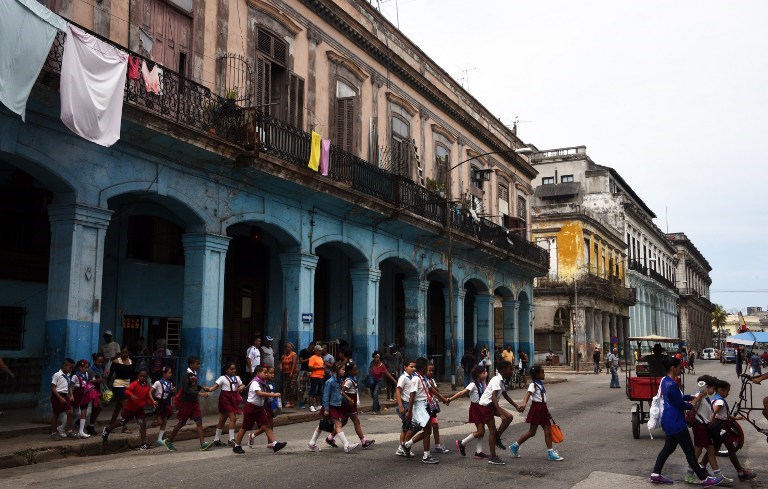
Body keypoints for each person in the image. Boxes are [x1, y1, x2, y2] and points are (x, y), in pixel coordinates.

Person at [647, 357, 722, 486]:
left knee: (668, 449)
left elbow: (678, 397)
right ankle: (704, 478)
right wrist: (696, 400)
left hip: (668, 420)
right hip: (676, 422)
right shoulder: (672, 384)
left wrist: (693, 396)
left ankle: (656, 474)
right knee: (689, 452)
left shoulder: (665, 380)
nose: (681, 368)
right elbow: (682, 404)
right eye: (679, 367)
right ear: (673, 368)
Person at [509, 365, 563, 461]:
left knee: (533, 432)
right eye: (542, 372)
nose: (544, 374)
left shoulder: (540, 384)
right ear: (537, 375)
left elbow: (543, 399)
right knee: (545, 429)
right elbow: (527, 395)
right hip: (537, 408)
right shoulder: (533, 385)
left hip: (541, 408)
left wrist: (547, 411)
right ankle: (550, 452)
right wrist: (524, 404)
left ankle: (515, 446)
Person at [160, 356, 213, 452]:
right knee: (182, 422)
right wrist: (200, 393)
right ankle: (168, 440)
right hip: (186, 402)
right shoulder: (186, 375)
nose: (199, 365)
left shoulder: (194, 374)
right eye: (197, 363)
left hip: (194, 402)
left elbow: (192, 386)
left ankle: (202, 444)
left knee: (199, 421)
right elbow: (186, 389)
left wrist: (201, 387)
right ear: (191, 365)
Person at [475, 360, 521, 465]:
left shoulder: (502, 380)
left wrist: (516, 406)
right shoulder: (496, 379)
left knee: (509, 417)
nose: (512, 371)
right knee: (492, 430)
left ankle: (497, 438)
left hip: (492, 405)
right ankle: (492, 456)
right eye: (510, 369)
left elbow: (505, 395)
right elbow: (494, 397)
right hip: (486, 406)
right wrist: (500, 414)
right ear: (503, 370)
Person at [708, 379, 756, 481]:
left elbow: (722, 414)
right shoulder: (720, 401)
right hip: (721, 427)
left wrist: (734, 418)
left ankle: (702, 466)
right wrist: (711, 424)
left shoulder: (715, 398)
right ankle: (740, 472)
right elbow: (715, 412)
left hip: (719, 425)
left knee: (715, 448)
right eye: (727, 391)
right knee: (730, 448)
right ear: (720, 390)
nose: (728, 393)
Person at [687, 375, 731, 485]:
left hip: (704, 426)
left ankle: (718, 476)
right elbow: (692, 407)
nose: (714, 391)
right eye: (713, 388)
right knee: (698, 451)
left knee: (711, 450)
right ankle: (689, 474)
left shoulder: (704, 396)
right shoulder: (700, 395)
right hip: (699, 426)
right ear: (708, 387)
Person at [232, 365, 286, 454]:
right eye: (264, 372)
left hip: (260, 408)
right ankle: (237, 445)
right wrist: (274, 395)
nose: (266, 374)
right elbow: (259, 393)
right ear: (258, 373)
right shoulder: (255, 382)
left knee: (266, 425)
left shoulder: (263, 382)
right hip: (251, 408)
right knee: (245, 427)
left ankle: (274, 444)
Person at [307, 362, 359, 453]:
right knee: (338, 424)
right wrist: (326, 409)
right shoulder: (330, 382)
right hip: (330, 406)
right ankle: (347, 445)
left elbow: (339, 395)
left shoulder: (339, 381)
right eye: (342, 369)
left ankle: (312, 443)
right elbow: (326, 396)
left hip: (335, 406)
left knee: (322, 425)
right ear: (337, 370)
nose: (344, 371)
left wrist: (347, 401)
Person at [400, 357, 442, 464]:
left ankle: (407, 445)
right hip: (419, 407)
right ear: (424, 368)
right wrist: (409, 411)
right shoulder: (415, 379)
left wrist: (444, 398)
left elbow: (431, 389)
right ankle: (426, 456)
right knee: (427, 430)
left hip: (425, 405)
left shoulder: (423, 378)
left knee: (427, 431)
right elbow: (412, 395)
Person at [101, 368, 156, 450]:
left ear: (146, 377)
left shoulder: (146, 387)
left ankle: (143, 443)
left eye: (144, 376)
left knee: (143, 424)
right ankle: (108, 429)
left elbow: (147, 398)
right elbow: (127, 391)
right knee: (121, 422)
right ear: (138, 376)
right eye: (141, 376)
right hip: (130, 409)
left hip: (139, 409)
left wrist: (153, 402)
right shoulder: (134, 384)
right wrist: (132, 395)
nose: (142, 378)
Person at [450, 365, 490, 459]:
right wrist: (450, 399)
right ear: (477, 374)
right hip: (476, 409)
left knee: (482, 431)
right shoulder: (473, 384)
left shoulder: (482, 383)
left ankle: (479, 452)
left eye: (485, 372)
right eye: (483, 373)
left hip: (482, 407)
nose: (485, 374)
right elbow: (462, 393)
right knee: (480, 431)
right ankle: (462, 443)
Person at [207, 361, 245, 446]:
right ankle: (231, 439)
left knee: (223, 419)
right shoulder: (222, 378)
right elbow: (214, 387)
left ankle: (216, 439)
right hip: (225, 398)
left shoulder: (237, 378)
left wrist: (241, 387)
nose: (233, 370)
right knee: (233, 418)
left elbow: (242, 385)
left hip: (233, 398)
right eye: (231, 369)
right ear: (226, 370)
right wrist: (208, 389)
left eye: (234, 369)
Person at [339, 361, 375, 449]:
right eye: (354, 370)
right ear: (349, 371)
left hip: (351, 403)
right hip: (349, 404)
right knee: (356, 422)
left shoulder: (352, 378)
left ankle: (330, 437)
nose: (357, 371)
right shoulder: (349, 381)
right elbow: (342, 391)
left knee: (343, 422)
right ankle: (363, 441)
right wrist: (349, 399)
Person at [70, 359, 100, 438]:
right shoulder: (75, 376)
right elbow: (71, 387)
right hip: (76, 394)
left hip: (84, 394)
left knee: (84, 412)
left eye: (87, 368)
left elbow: (86, 383)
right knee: (75, 413)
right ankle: (63, 427)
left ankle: (81, 431)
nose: (87, 369)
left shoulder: (86, 374)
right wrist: (71, 395)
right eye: (86, 368)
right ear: (80, 367)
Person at [425, 363, 451, 454]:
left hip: (431, 406)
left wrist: (442, 399)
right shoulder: (421, 380)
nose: (431, 372)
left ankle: (437, 445)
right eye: (429, 370)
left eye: (433, 371)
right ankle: (406, 444)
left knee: (435, 426)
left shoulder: (431, 380)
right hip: (424, 406)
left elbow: (436, 391)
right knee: (416, 429)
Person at [394, 359, 417, 458]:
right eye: (411, 367)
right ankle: (403, 446)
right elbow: (398, 391)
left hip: (411, 404)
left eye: (414, 367)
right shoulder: (403, 378)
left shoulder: (413, 377)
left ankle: (402, 447)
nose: (413, 368)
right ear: (405, 367)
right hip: (405, 404)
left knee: (406, 427)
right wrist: (401, 406)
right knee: (407, 427)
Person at [108, 347, 134, 431]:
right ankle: (124, 426)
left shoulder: (130, 362)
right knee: (125, 406)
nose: (123, 354)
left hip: (127, 385)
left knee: (118, 406)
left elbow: (131, 375)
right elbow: (110, 374)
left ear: (128, 353)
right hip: (118, 385)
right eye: (122, 353)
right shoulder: (116, 361)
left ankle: (111, 425)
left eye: (125, 353)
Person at [50, 358, 75, 440]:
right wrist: (60, 397)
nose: (71, 370)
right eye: (70, 368)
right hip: (57, 396)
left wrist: (71, 395)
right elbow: (53, 388)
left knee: (70, 412)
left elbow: (69, 386)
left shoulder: (68, 375)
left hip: (65, 395)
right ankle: (53, 433)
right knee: (56, 414)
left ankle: (70, 431)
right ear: (65, 366)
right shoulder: (57, 375)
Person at [150, 366, 174, 446]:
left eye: (171, 373)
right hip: (159, 403)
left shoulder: (170, 383)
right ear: (164, 374)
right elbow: (150, 392)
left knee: (165, 421)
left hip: (166, 403)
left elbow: (170, 394)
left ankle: (159, 439)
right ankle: (153, 424)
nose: (170, 374)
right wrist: (153, 401)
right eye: (169, 373)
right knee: (160, 421)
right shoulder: (158, 383)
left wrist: (172, 391)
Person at [280, 342, 298, 408]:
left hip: (293, 372)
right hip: (286, 372)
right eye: (286, 347)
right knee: (287, 387)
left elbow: (294, 363)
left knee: (292, 386)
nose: (286, 348)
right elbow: (281, 362)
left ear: (291, 348)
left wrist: (291, 372)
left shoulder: (294, 354)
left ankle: (292, 402)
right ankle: (287, 401)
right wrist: (281, 366)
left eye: (288, 347)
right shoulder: (284, 355)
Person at [308, 344, 325, 412]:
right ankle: (311, 406)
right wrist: (320, 367)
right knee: (313, 391)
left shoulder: (320, 358)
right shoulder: (313, 357)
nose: (320, 352)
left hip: (321, 376)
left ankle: (318, 405)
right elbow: (310, 367)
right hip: (314, 376)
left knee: (319, 392)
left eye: (321, 350)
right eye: (319, 350)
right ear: (316, 351)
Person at [297, 341, 313, 409]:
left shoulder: (314, 352)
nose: (312, 349)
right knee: (302, 388)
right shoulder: (303, 351)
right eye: (312, 347)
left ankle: (310, 403)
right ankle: (301, 402)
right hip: (303, 371)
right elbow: (300, 361)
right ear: (310, 345)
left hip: (311, 372)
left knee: (310, 388)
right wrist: (309, 359)